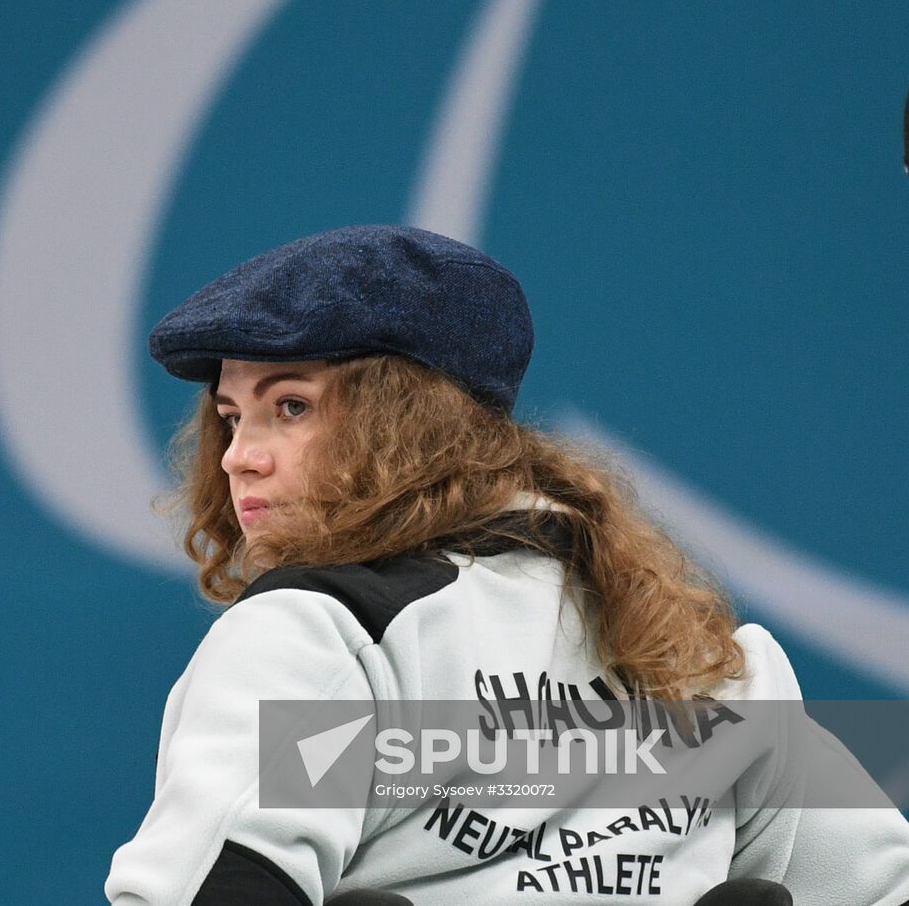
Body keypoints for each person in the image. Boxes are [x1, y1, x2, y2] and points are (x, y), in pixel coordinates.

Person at [104, 224, 909, 905]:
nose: (240, 456)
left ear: (407, 420)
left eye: (291, 407)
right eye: (231, 416)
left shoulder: (319, 638)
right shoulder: (695, 652)